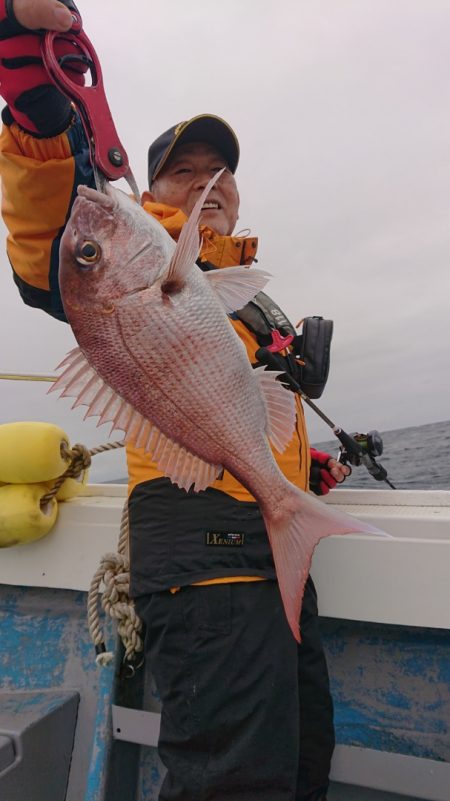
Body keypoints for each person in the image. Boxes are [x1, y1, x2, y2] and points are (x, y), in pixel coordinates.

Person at [0, 2, 350, 799]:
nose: (207, 184)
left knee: (303, 763)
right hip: (200, 548)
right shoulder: (120, 265)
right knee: (234, 780)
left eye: (219, 172)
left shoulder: (239, 297)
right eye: (186, 173)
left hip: (270, 541)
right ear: (149, 192)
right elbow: (42, 240)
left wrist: (307, 464)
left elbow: (234, 402)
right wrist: (38, 118)